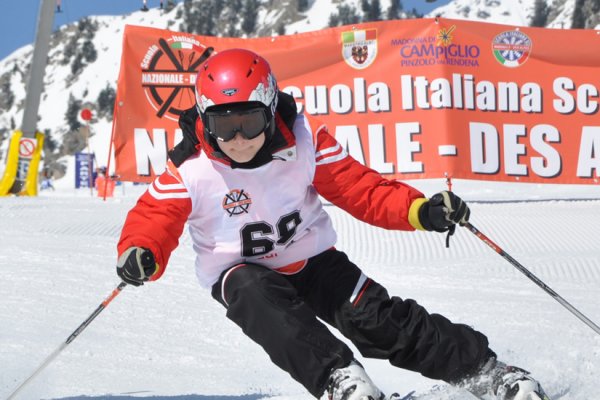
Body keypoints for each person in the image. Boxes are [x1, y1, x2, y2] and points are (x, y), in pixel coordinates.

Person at [116, 48, 550, 400]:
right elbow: (154, 217)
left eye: (249, 121)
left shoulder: (304, 141)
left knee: (377, 321)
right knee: (262, 302)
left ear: (270, 110)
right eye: (223, 126)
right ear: (204, 120)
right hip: (239, 272)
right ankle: (341, 381)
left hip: (312, 259)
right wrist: (142, 253)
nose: (238, 139)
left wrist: (421, 211)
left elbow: (361, 189)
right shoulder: (190, 169)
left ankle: (487, 373)